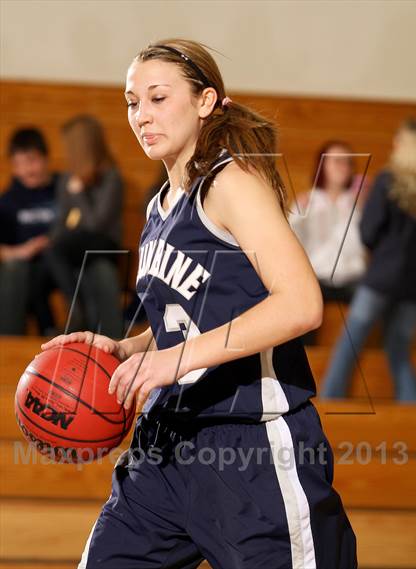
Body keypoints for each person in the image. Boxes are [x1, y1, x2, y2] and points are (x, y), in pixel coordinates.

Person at [41, 39, 357, 568]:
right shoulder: (160, 206)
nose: (141, 115)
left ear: (206, 101)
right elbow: (183, 318)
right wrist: (126, 348)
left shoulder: (233, 183)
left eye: (158, 98)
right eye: (132, 101)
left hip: (250, 449)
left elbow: (302, 303)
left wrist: (176, 359)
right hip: (164, 447)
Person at [320, 118, 416, 402]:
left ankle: (329, 400)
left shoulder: (388, 180)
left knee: (349, 342)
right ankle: (413, 412)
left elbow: (368, 232)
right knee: (399, 349)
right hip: (415, 285)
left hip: (381, 279)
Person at [45, 115, 124, 337]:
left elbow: (96, 224)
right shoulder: (67, 179)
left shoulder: (111, 178)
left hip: (105, 244)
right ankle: (52, 325)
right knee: (48, 255)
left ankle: (76, 307)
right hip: (75, 242)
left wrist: (79, 194)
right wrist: (52, 239)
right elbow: (61, 221)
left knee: (57, 250)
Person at [288, 141, 368, 345]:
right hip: (317, 279)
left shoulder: (358, 203)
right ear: (322, 166)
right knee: (302, 306)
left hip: (352, 280)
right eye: (337, 161)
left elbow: (365, 244)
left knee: (373, 300)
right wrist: (299, 216)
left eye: (348, 162)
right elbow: (290, 242)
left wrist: (364, 210)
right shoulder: (308, 201)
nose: (344, 166)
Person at [0, 127, 59, 335]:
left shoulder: (63, 190)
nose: (27, 170)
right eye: (19, 164)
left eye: (31, 160)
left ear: (45, 158)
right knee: (16, 270)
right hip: (26, 268)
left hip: (62, 265)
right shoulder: (8, 201)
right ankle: (10, 341)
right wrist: (24, 250)